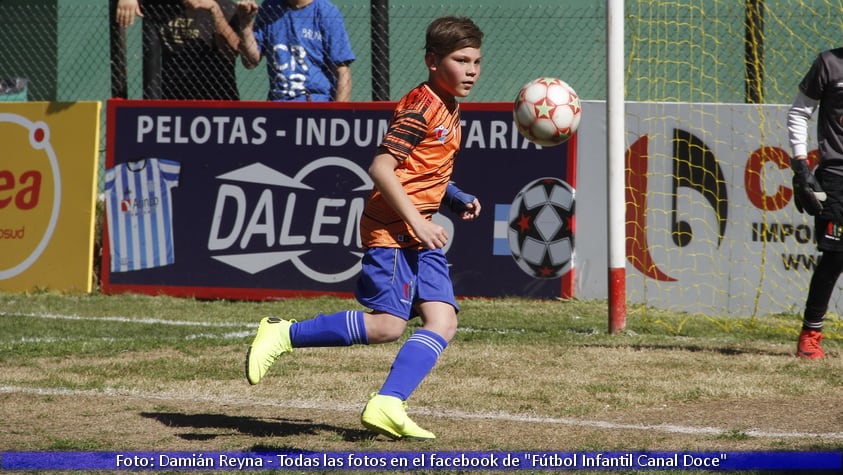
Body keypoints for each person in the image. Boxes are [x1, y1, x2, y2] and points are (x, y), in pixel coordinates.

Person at [244, 16, 484, 439]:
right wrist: (417, 221)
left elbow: (421, 171)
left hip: (419, 231)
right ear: (432, 61)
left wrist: (454, 195)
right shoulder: (421, 106)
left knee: (443, 320)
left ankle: (388, 402)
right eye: (460, 60)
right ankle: (283, 334)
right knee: (388, 327)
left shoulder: (450, 105)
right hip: (393, 233)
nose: (471, 70)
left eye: (476, 61)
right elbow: (381, 167)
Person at [786, 47, 843, 359]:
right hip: (837, 176)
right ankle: (811, 332)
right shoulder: (829, 63)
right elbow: (799, 111)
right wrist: (800, 166)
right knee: (835, 256)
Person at [115, 0, 241, 100]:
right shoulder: (162, 7)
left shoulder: (224, 6)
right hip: (170, 98)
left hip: (216, 98)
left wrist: (215, 11)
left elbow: (232, 52)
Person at [235, 0, 354, 102]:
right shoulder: (270, 7)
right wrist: (245, 25)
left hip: (315, 104)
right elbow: (250, 62)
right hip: (276, 104)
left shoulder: (326, 11)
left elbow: (342, 71)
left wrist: (338, 113)